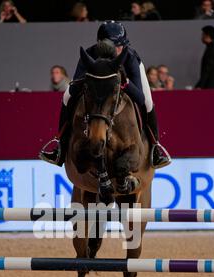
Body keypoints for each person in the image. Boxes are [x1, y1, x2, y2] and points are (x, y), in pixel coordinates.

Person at [40, 21, 171, 169]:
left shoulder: (130, 57)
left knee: (147, 102)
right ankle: (60, 146)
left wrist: (124, 83)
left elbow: (139, 97)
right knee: (66, 97)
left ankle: (155, 147)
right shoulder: (90, 54)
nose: (119, 49)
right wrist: (91, 79)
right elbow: (75, 83)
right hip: (97, 87)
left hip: (127, 81)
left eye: (121, 45)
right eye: (116, 46)